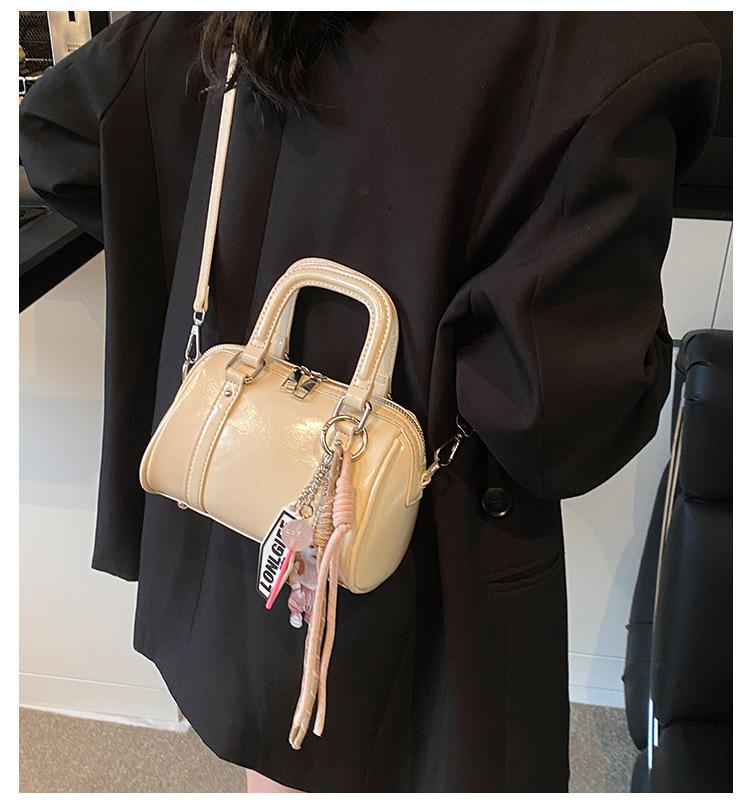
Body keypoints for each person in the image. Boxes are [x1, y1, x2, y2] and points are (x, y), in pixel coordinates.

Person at [19, 11, 720, 792]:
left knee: (275, 761)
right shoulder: (609, 37)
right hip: (422, 587)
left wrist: (205, 265)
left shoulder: (225, 19)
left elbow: (57, 133)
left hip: (238, 516)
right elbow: (561, 423)